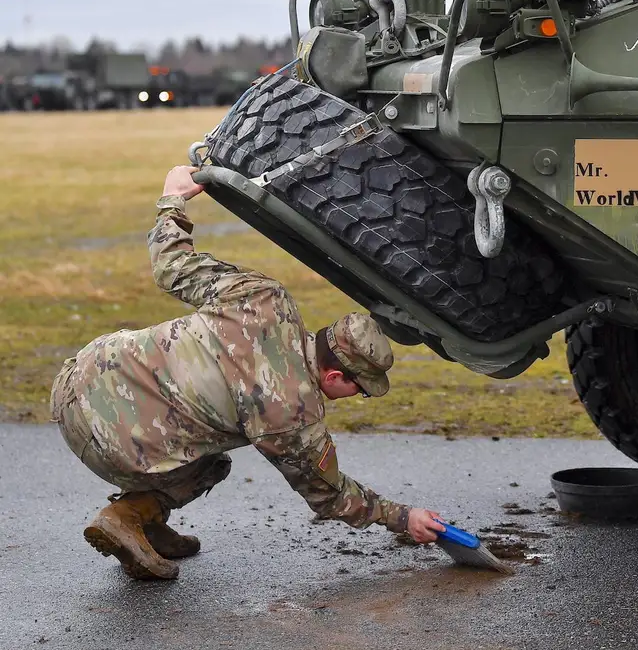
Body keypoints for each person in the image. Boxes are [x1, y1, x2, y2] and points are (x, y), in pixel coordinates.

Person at [51, 165, 446, 580]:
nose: (358, 397)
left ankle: (145, 527)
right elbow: (329, 496)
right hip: (111, 450)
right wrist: (403, 518)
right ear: (334, 378)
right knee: (212, 465)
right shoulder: (293, 416)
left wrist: (173, 200)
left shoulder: (266, 298)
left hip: (72, 386)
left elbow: (171, 266)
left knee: (185, 431)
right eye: (360, 390)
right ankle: (128, 516)